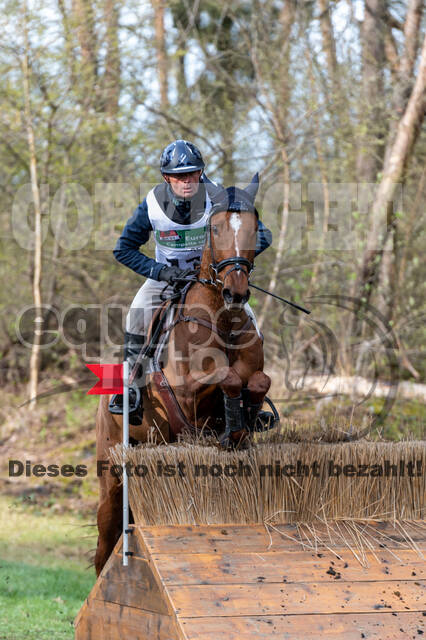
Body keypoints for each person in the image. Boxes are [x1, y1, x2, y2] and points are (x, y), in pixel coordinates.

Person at [109, 139, 272, 422]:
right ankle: (131, 390)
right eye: (179, 176)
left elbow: (261, 234)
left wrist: (234, 262)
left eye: (193, 173)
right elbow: (123, 250)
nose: (187, 181)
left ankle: (252, 404)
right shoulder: (152, 204)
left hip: (212, 280)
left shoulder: (220, 198)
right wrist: (159, 271)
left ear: (201, 173)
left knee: (249, 318)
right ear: (166, 178)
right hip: (167, 278)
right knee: (135, 316)